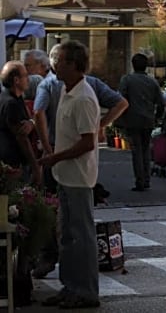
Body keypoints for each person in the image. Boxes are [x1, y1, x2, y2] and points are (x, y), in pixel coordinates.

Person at [31, 66, 127, 281]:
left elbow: (38, 112)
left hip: (66, 158)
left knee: (69, 219)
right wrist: (101, 125)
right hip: (77, 163)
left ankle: (63, 268)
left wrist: (49, 150)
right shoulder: (78, 87)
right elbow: (121, 103)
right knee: (71, 222)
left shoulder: (66, 89)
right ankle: (72, 279)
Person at [38, 41, 101, 309]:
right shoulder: (66, 90)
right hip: (64, 173)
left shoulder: (84, 97)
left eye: (61, 61)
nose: (55, 65)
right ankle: (70, 286)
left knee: (81, 236)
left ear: (74, 65)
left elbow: (88, 141)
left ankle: (85, 291)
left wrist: (56, 156)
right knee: (67, 235)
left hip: (77, 175)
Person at [117, 53, 164, 192]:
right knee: (145, 149)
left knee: (136, 150)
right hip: (148, 119)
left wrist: (120, 117)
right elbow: (161, 102)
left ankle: (140, 180)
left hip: (132, 119)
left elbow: (120, 98)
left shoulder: (127, 80)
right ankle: (146, 178)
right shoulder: (152, 82)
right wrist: (157, 118)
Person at [0, 61, 42, 186]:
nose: (28, 79)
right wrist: (35, 167)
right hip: (12, 163)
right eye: (25, 75)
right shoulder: (10, 103)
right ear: (16, 80)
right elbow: (21, 137)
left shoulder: (15, 98)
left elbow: (29, 121)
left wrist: (32, 122)